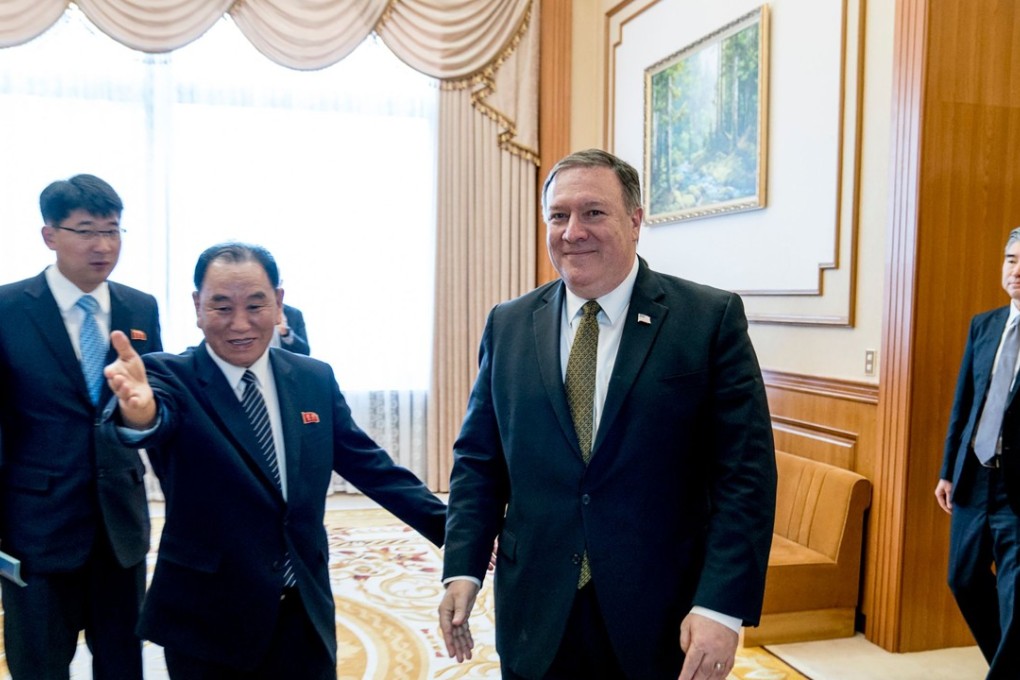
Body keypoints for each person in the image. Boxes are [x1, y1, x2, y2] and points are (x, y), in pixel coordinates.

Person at [438, 149, 777, 680]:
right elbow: (480, 461)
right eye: (559, 215)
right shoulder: (508, 324)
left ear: (635, 220)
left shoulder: (708, 321)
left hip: (660, 613)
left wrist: (720, 606)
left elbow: (745, 479)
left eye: (593, 212)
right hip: (536, 607)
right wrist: (462, 566)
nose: (573, 231)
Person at [101, 241, 447, 678]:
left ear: (279, 302)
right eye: (222, 307)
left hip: (302, 604)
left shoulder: (311, 377)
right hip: (209, 616)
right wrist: (139, 411)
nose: (239, 324)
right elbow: (153, 419)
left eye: (255, 305)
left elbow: (368, 464)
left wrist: (450, 527)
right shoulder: (169, 376)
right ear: (197, 306)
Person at [0, 174, 163, 679]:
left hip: (120, 527)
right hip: (37, 529)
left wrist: (147, 418)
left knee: (122, 663)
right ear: (50, 235)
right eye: (87, 230)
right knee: (40, 664)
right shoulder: (7, 309)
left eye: (113, 231)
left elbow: (153, 405)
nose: (103, 246)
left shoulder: (140, 307)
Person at [937, 226, 1020, 679]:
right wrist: (948, 470)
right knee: (964, 580)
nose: (1016, 270)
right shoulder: (985, 324)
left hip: (1017, 492)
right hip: (974, 477)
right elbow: (964, 403)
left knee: (1015, 596)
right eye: (1010, 259)